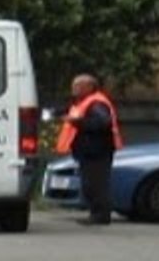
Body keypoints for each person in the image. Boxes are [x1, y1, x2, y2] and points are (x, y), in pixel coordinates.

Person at [53, 73, 124, 225]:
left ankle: (100, 216)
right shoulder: (83, 103)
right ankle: (96, 214)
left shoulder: (97, 103)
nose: (74, 89)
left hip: (97, 151)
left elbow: (102, 122)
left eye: (78, 86)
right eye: (73, 86)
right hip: (89, 151)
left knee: (96, 184)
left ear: (89, 87)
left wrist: (77, 122)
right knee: (90, 184)